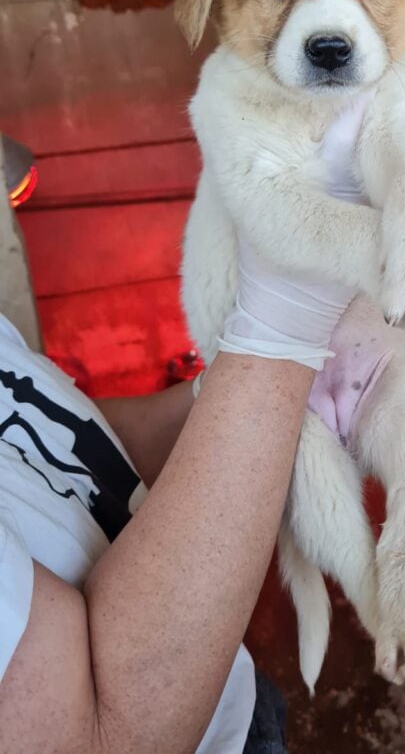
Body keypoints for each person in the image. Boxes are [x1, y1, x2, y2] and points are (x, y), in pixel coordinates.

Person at [0, 103, 366, 754]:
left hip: (225, 688)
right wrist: (278, 331)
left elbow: (41, 449)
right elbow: (104, 737)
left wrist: (214, 399)